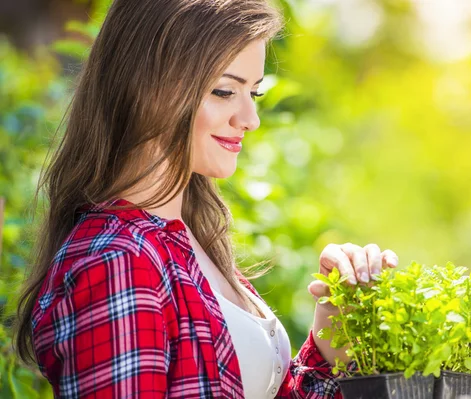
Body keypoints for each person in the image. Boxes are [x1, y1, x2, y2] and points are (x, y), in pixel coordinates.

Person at [13, 0, 398, 397]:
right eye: (224, 90)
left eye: (256, 92)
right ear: (148, 86)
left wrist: (330, 339)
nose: (250, 119)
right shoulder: (118, 260)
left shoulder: (190, 244)